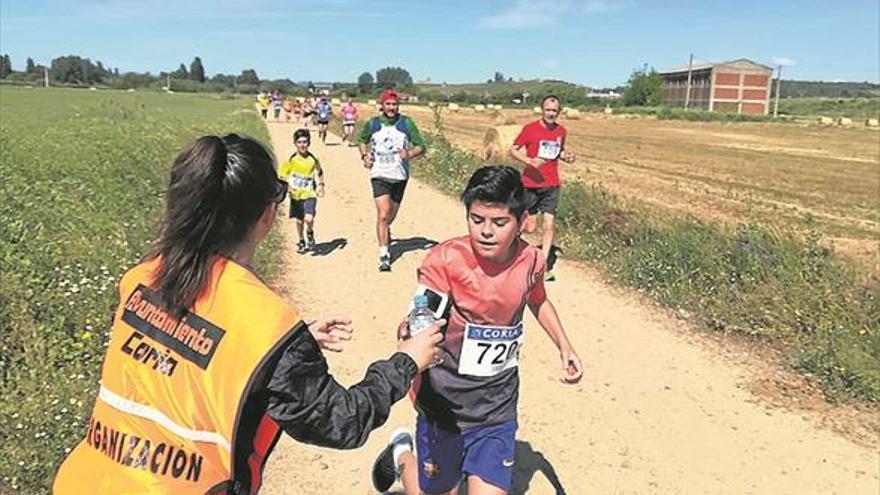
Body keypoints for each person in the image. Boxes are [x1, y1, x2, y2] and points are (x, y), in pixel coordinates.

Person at [52, 133, 444, 494]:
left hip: (83, 480)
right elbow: (342, 421)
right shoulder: (264, 322)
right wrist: (406, 361)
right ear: (267, 216)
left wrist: (284, 348)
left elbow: (188, 347)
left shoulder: (142, 276)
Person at [370, 165, 583, 495]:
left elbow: (538, 300)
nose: (486, 231)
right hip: (443, 405)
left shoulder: (532, 261)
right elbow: (423, 310)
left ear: (523, 220)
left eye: (499, 223)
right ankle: (402, 454)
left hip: (496, 408)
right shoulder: (445, 260)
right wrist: (412, 327)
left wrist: (564, 346)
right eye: (476, 219)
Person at [508, 95, 576, 282]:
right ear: (542, 110)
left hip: (551, 184)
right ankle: (511, 256)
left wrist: (567, 156)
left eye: (555, 111)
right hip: (530, 184)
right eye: (548, 110)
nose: (551, 113)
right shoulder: (530, 129)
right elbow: (512, 150)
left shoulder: (562, 131)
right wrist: (529, 161)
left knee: (549, 226)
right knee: (527, 227)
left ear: (559, 112)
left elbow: (557, 152)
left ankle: (542, 267)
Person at [357, 89, 427, 272]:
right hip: (379, 174)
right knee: (383, 214)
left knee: (390, 217)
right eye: (388, 104)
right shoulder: (373, 124)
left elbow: (421, 146)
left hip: (399, 176)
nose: (391, 108)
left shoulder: (406, 123)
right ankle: (384, 255)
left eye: (394, 104)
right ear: (382, 105)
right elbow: (362, 140)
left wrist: (410, 153)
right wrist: (364, 156)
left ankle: (385, 232)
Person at [279, 128, 324, 253]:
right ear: (295, 144)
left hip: (309, 194)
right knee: (299, 221)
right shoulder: (291, 160)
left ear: (309, 143)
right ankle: (301, 240)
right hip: (295, 195)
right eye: (299, 142)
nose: (302, 145)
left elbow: (320, 171)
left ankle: (309, 232)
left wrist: (321, 185)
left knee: (308, 218)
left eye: (305, 142)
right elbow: (282, 175)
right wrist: (288, 187)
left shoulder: (313, 159)